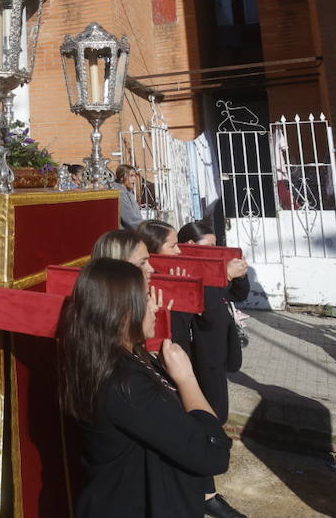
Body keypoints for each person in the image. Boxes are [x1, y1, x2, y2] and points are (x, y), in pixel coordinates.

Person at [60, 258, 231, 517]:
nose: (155, 306)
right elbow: (211, 454)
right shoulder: (124, 383)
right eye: (146, 297)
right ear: (122, 311)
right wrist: (187, 380)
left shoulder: (101, 358)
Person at [174, 218, 250, 518]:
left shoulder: (215, 265)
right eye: (209, 245)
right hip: (198, 359)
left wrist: (238, 275)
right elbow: (199, 307)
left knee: (215, 417)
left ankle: (205, 489)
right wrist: (221, 273)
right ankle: (207, 493)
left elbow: (237, 295)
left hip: (216, 355)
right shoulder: (185, 268)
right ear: (190, 246)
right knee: (204, 422)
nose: (216, 249)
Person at [116, 164, 143, 229]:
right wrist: (146, 228)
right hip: (126, 235)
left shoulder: (128, 192)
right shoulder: (120, 193)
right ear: (122, 177)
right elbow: (130, 220)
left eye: (135, 176)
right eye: (131, 176)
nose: (134, 179)